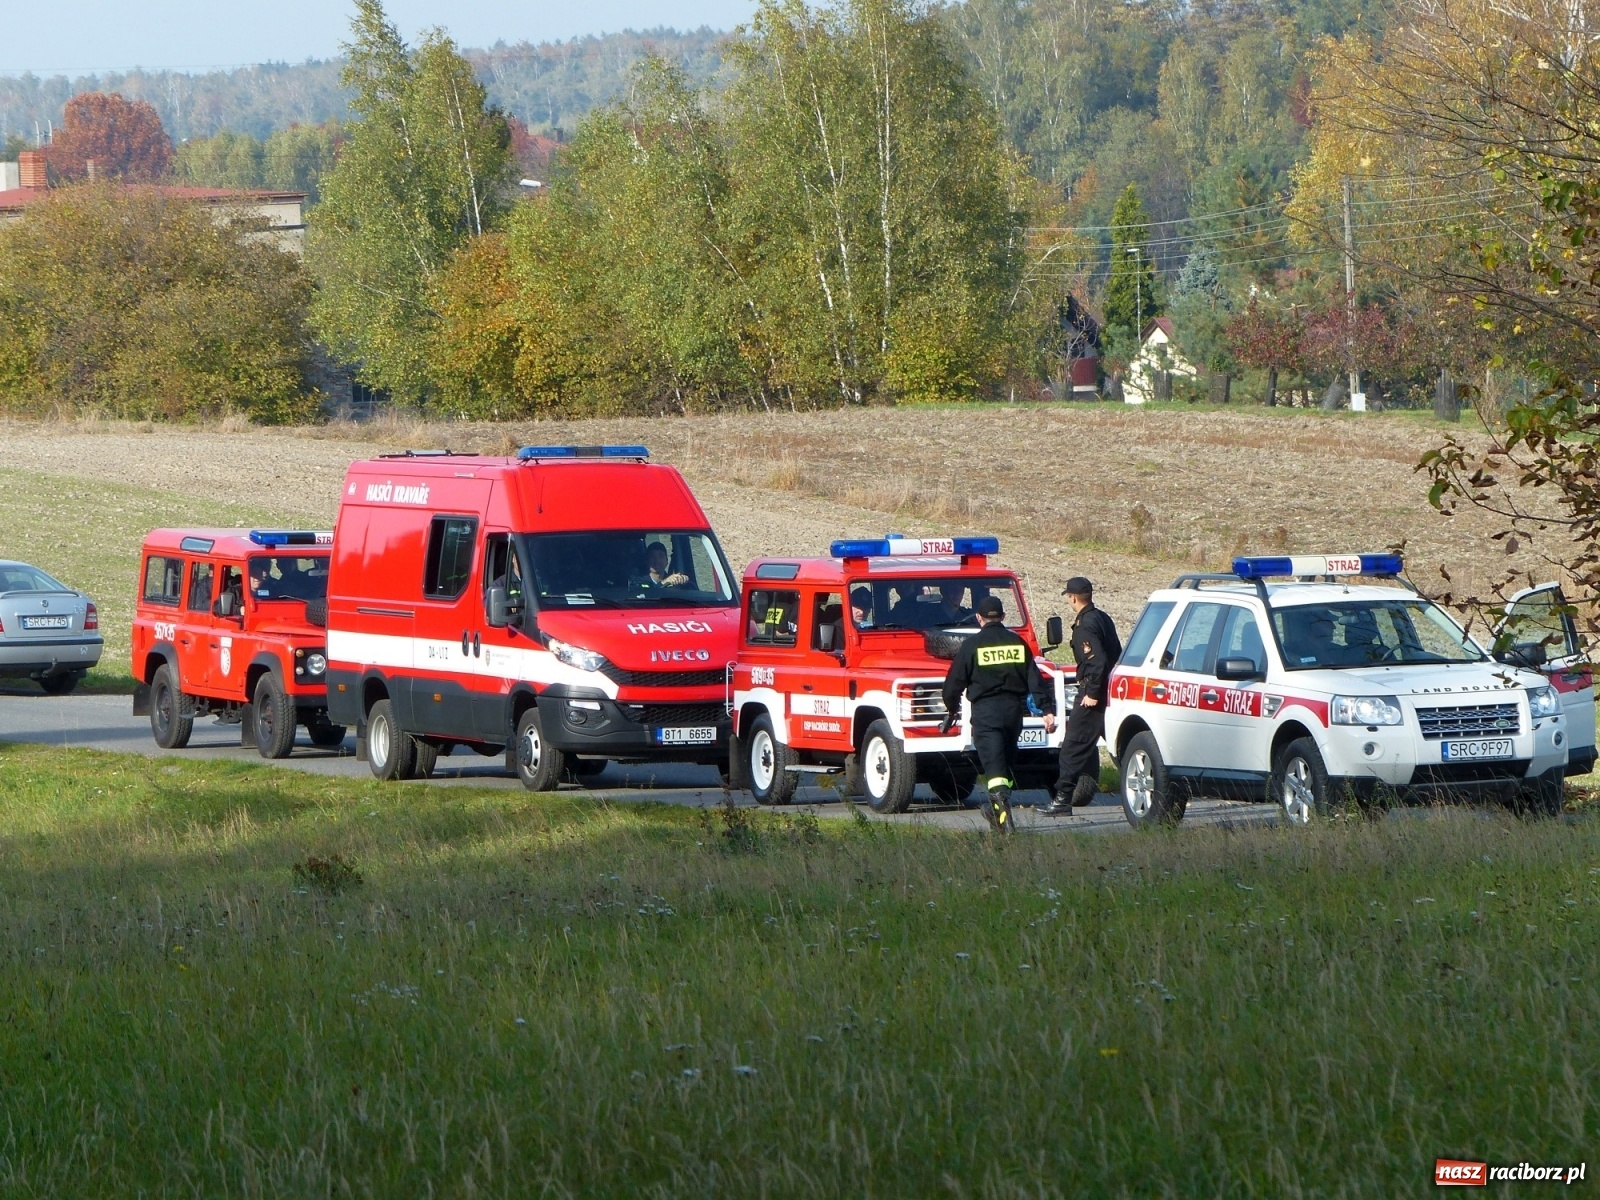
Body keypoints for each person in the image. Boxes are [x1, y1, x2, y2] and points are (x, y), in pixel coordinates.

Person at [941, 595, 1057, 833]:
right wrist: (1046, 710)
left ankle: (1005, 824)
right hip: (1013, 713)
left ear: (979, 618)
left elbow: (953, 684)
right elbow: (1035, 680)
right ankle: (996, 812)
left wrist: (951, 708)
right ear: (1003, 616)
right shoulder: (1017, 643)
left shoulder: (972, 646)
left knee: (994, 769)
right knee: (1005, 764)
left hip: (986, 714)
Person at [1042, 577, 1123, 816]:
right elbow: (1115, 653)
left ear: (1073, 598)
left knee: (1072, 748)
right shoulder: (1102, 617)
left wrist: (1092, 693)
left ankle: (1062, 801)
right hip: (1110, 691)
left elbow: (1097, 662)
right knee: (1123, 747)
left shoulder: (1085, 625)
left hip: (1093, 695)